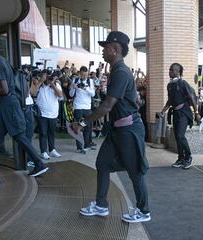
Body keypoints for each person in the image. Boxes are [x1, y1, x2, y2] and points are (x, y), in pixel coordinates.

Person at [72, 31, 151, 223]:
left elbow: (107, 105)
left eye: (105, 47)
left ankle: (143, 211)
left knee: (135, 171)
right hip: (118, 129)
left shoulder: (122, 72)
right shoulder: (116, 71)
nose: (102, 51)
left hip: (129, 130)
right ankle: (101, 205)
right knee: (102, 163)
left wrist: (82, 123)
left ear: (115, 50)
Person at [0, 34, 48, 189]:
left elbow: (4, 89)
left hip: (4, 108)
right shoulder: (2, 61)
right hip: (9, 106)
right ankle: (39, 163)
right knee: (18, 136)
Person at [160, 63, 201, 169]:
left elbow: (192, 97)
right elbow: (170, 100)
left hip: (184, 112)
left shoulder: (183, 83)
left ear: (178, 72)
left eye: (172, 70)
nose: (169, 71)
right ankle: (180, 158)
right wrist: (163, 111)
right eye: (169, 69)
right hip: (176, 113)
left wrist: (196, 113)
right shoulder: (169, 85)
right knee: (177, 137)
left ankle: (188, 157)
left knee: (180, 135)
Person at [32, 71, 63, 160]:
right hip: (42, 114)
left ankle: (52, 149)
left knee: (51, 133)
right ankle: (43, 151)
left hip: (53, 114)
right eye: (46, 77)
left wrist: (52, 84)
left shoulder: (56, 84)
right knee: (43, 133)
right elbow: (33, 93)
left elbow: (60, 95)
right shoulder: (39, 85)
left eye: (49, 77)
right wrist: (41, 81)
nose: (47, 79)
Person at [69, 66, 96, 154]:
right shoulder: (75, 80)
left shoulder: (90, 81)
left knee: (88, 126)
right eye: (83, 75)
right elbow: (71, 94)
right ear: (80, 73)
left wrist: (86, 88)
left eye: (86, 75)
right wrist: (73, 88)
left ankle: (87, 145)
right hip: (78, 107)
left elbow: (93, 94)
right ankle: (79, 147)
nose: (85, 77)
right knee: (78, 127)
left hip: (87, 107)